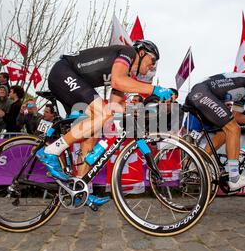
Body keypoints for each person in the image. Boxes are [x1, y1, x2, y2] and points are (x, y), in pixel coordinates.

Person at [37, 40, 173, 207]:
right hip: (63, 71)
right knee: (103, 113)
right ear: (142, 53)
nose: (152, 67)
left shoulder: (126, 75)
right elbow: (117, 82)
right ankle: (51, 151)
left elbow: (115, 106)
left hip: (73, 79)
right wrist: (154, 89)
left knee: (91, 133)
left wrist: (144, 111)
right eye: (153, 61)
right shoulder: (129, 52)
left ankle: (79, 188)